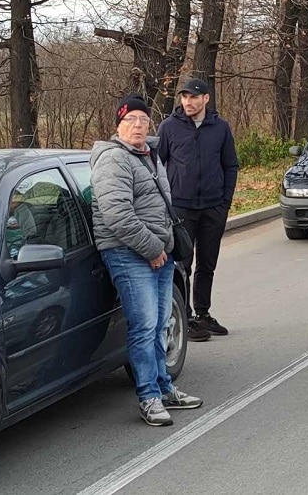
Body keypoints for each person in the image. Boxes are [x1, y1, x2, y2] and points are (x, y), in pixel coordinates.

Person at [91, 94, 203, 427]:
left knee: (158, 324)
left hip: (158, 252)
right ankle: (148, 397)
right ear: (118, 125)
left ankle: (165, 388)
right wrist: (152, 248)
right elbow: (118, 215)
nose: (138, 126)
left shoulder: (147, 154)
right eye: (130, 120)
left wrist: (163, 247)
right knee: (142, 327)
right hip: (129, 253)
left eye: (143, 120)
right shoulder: (114, 160)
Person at [158, 78, 239, 341]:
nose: (188, 102)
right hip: (181, 208)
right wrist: (166, 204)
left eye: (193, 97)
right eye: (184, 97)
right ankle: (186, 318)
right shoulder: (169, 127)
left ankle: (203, 314)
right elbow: (157, 167)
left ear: (206, 98)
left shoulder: (221, 128)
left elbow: (230, 166)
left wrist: (224, 202)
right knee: (183, 265)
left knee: (208, 264)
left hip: (213, 207)